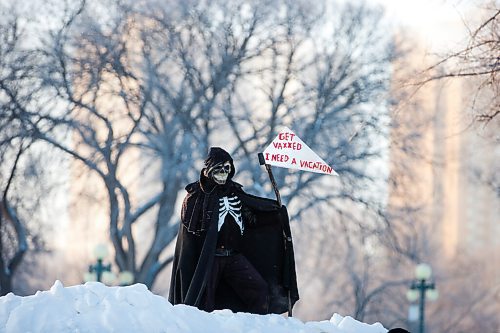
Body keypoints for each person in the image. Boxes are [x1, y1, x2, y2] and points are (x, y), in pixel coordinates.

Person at [168, 147, 299, 314]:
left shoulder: (235, 191)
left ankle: (256, 327)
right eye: (219, 169)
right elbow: (189, 236)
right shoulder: (196, 196)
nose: (223, 173)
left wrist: (276, 213)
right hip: (209, 259)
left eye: (226, 169)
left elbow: (252, 217)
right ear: (209, 170)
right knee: (203, 301)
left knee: (259, 290)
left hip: (233, 257)